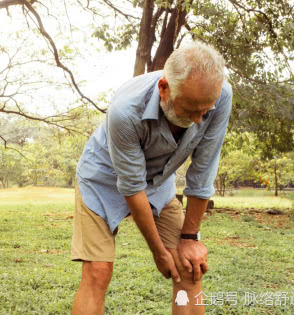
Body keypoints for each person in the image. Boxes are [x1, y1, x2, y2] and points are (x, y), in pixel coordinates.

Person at [71, 40, 232, 315]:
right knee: (98, 272)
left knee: (187, 267)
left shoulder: (221, 96)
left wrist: (190, 239)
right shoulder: (125, 109)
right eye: (189, 109)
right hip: (102, 179)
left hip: (159, 181)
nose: (197, 121)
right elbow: (132, 187)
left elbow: (202, 172)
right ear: (164, 89)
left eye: (204, 111)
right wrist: (158, 252)